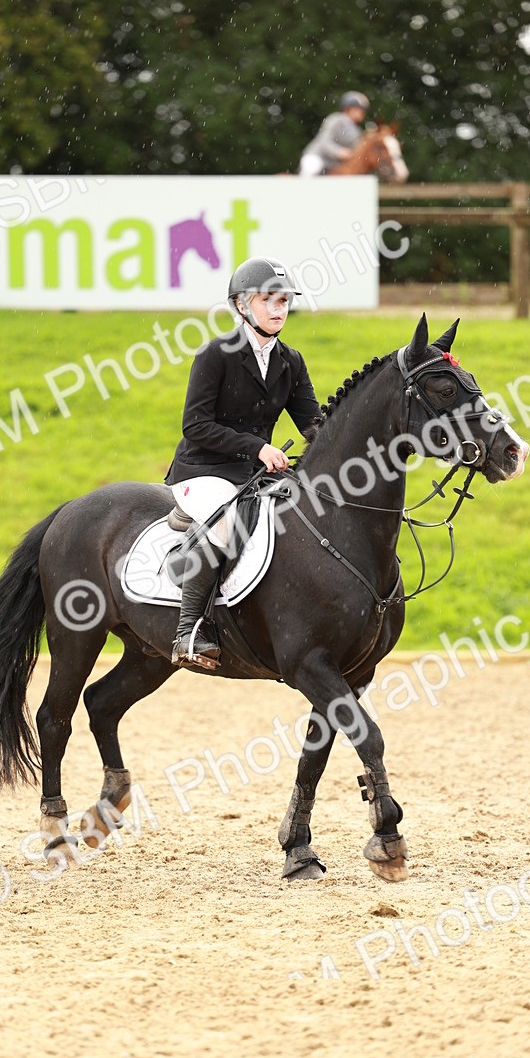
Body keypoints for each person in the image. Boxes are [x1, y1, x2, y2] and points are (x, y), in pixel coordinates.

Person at [164, 256, 321, 670]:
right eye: (268, 299)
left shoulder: (292, 360)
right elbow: (195, 425)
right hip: (201, 471)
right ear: (240, 305)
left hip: (252, 474)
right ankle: (188, 632)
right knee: (227, 522)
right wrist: (256, 448)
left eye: (284, 300)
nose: (278, 308)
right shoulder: (215, 355)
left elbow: (313, 425)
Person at [298, 91, 370, 177]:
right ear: (348, 108)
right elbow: (324, 141)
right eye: (359, 109)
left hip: (335, 164)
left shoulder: (357, 130)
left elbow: (356, 149)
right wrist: (339, 152)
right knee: (311, 168)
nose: (362, 113)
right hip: (318, 157)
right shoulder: (335, 120)